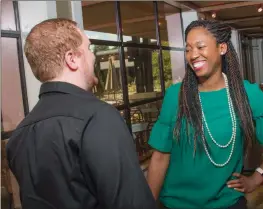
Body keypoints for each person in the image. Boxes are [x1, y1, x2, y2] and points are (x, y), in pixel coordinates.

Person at [6, 18, 157, 209]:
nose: (93, 57)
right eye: (88, 49)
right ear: (72, 59)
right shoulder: (99, 118)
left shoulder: (18, 136)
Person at [147, 20, 263, 209]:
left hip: (227, 204)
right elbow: (160, 157)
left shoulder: (246, 93)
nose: (193, 55)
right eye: (188, 49)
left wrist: (257, 177)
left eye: (200, 46)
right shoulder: (176, 95)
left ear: (222, 48)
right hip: (175, 204)